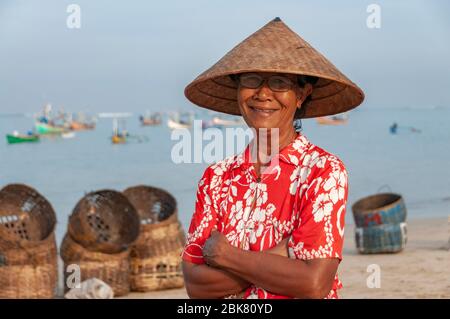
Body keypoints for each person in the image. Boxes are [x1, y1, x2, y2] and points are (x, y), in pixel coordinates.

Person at [181, 17, 364, 299]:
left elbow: (313, 283)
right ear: (238, 90)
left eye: (280, 83)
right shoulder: (215, 178)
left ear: (302, 94)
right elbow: (196, 286)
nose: (263, 94)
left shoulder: (323, 172)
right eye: (251, 81)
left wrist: (225, 255)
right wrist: (278, 255)